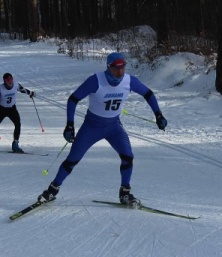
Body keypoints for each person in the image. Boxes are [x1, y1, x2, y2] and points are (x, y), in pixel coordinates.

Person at [37, 52, 167, 207]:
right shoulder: (96, 80)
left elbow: (148, 94)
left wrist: (158, 115)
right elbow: (73, 99)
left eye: (123, 67)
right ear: (108, 67)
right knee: (72, 160)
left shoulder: (129, 80)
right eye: (116, 68)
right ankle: (52, 190)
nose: (120, 72)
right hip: (92, 126)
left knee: (128, 156)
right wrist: (70, 124)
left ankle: (125, 193)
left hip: (113, 127)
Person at [0, 73, 35, 153]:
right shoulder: (1, 89)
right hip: (1, 109)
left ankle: (15, 144)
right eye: (8, 80)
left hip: (12, 108)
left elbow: (23, 90)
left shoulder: (16, 85)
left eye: (11, 79)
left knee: (18, 124)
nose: (10, 82)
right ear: (4, 81)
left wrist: (30, 93)